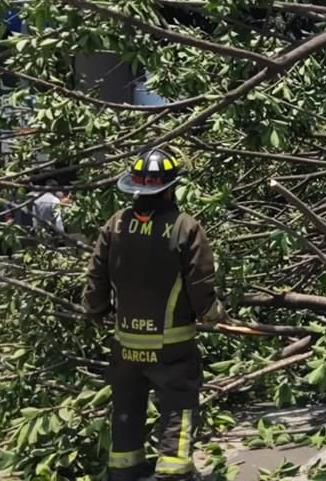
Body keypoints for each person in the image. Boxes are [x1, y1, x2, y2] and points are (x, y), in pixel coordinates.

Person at [82, 148, 227, 481]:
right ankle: (174, 471)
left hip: (126, 344)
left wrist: (96, 309)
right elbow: (200, 281)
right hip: (171, 345)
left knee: (127, 405)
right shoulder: (184, 227)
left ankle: (124, 468)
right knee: (179, 403)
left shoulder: (116, 224)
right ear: (171, 186)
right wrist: (212, 313)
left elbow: (97, 276)